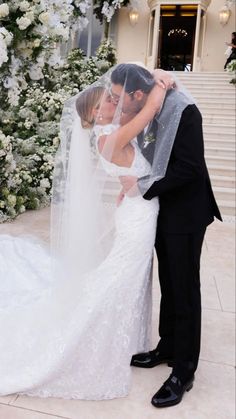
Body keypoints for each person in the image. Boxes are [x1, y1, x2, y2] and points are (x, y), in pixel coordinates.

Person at [0, 69, 174, 399]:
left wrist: (133, 183)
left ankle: (127, 339)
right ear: (96, 113)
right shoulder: (109, 137)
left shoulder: (112, 133)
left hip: (137, 210)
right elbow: (149, 111)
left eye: (112, 97)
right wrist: (161, 81)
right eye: (107, 100)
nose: (114, 99)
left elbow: (137, 154)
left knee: (129, 277)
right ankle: (91, 333)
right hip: (138, 217)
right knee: (121, 277)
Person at [110, 63, 222, 408]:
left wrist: (141, 186)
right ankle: (168, 346)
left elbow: (189, 168)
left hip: (187, 213)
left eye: (119, 98)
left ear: (138, 93)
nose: (117, 104)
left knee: (184, 287)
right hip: (161, 210)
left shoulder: (186, 111)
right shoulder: (149, 105)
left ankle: (184, 371)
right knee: (168, 282)